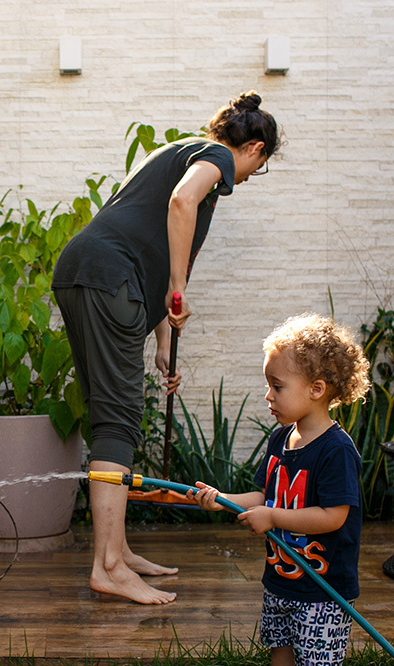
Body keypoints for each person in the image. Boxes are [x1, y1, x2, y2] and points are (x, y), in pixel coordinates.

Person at [52, 91, 282, 605]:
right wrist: (178, 289)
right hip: (109, 277)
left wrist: (161, 338)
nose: (247, 178)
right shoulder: (216, 157)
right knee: (118, 420)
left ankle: (119, 551)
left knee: (107, 415)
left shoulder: (179, 150)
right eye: (258, 167)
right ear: (255, 149)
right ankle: (108, 566)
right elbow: (181, 203)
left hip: (82, 272)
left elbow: (149, 242)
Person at [191, 313, 371, 666]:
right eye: (268, 385)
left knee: (316, 660)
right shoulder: (279, 441)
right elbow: (263, 495)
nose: (268, 396)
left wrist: (273, 516)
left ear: (317, 389)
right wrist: (225, 500)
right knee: (282, 647)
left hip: (322, 584)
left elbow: (334, 516)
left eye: (278, 386)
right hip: (282, 577)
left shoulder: (335, 450)